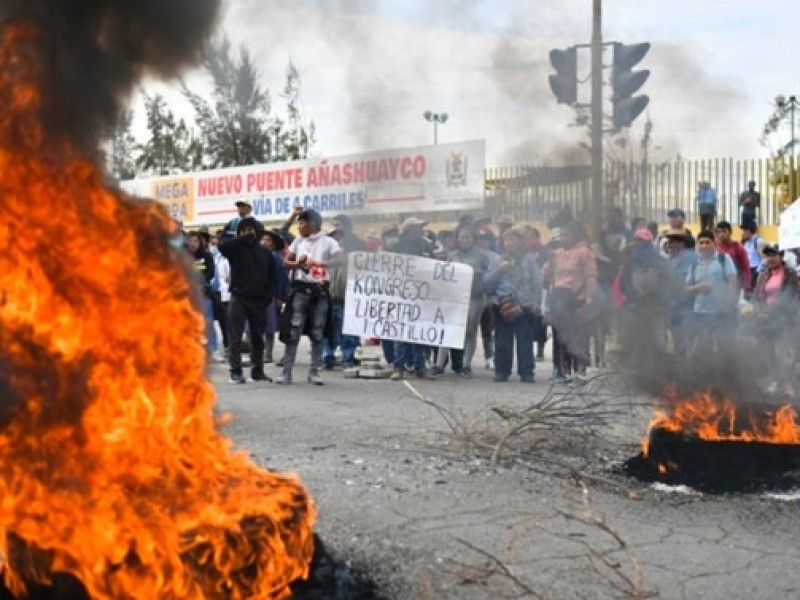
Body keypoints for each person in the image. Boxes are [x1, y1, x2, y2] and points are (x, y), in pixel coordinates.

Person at [280, 209, 342, 385]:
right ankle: (286, 373)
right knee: (293, 330)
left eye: (301, 223)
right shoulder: (298, 242)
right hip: (300, 290)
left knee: (318, 331)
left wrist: (318, 263)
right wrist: (297, 264)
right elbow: (286, 263)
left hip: (320, 291)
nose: (299, 227)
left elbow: (340, 260)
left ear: (312, 224)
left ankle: (314, 372)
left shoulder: (328, 242)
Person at [219, 217, 276, 384]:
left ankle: (258, 372)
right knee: (235, 337)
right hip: (238, 298)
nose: (247, 233)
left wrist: (266, 298)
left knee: (257, 338)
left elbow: (271, 278)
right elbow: (223, 247)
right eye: (243, 230)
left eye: (250, 229)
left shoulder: (265, 253)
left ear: (257, 231)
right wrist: (241, 238)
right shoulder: (235, 249)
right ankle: (235, 372)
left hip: (258, 301)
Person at [485, 227, 543, 383]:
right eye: (506, 239)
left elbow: (537, 283)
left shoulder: (529, 259)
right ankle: (502, 371)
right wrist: (499, 271)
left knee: (525, 341)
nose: (509, 242)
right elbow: (487, 284)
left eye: (513, 239)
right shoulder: (497, 260)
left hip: (524, 305)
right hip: (503, 306)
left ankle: (527, 372)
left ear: (520, 242)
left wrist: (537, 302)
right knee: (502, 341)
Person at [543, 222, 597, 385]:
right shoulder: (557, 254)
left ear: (575, 236)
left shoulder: (585, 253)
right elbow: (548, 276)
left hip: (577, 300)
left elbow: (590, 277)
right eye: (561, 235)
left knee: (579, 337)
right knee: (561, 337)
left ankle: (580, 373)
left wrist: (589, 299)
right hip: (558, 300)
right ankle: (562, 371)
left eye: (566, 235)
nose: (563, 238)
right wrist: (548, 260)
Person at [390, 217, 436, 381]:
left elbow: (435, 265)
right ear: (409, 230)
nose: (421, 231)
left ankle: (420, 367)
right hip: (402, 294)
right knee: (401, 333)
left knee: (420, 333)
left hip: (422, 295)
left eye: (421, 228)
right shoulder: (397, 247)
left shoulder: (426, 245)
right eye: (417, 228)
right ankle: (399, 367)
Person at [753, 245, 800, 396]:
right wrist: (759, 311)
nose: (771, 259)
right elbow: (757, 296)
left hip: (783, 319)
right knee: (769, 351)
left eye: (774, 255)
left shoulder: (790, 274)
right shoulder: (764, 275)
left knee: (783, 352)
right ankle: (776, 381)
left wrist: (781, 310)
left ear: (781, 256)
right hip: (765, 319)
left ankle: (788, 383)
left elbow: (794, 296)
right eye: (768, 256)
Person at [684, 230, 738, 354]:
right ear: (697, 245)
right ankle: (707, 372)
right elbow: (685, 289)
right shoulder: (693, 264)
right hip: (700, 313)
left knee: (725, 347)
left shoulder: (723, 259)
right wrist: (698, 288)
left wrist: (727, 306)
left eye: (707, 242)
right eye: (701, 243)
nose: (704, 246)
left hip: (721, 313)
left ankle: (726, 371)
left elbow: (732, 282)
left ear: (714, 244)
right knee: (703, 348)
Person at [663, 229, 697, 356]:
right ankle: (681, 366)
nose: (671, 244)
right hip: (672, 305)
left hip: (687, 305)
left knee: (688, 338)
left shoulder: (691, 257)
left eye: (674, 241)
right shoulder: (669, 259)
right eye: (670, 241)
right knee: (677, 339)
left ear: (682, 243)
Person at [186, 231, 217, 359]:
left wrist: (202, 282)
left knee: (208, 322)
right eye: (191, 241)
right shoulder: (183, 256)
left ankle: (211, 349)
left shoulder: (206, 256)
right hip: (188, 295)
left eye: (196, 241)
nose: (193, 244)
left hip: (204, 293)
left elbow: (211, 272)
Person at [260, 228, 288, 364]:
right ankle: (257, 351)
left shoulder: (277, 259)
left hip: (271, 296)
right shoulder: (255, 257)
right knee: (253, 326)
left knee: (269, 327)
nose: (264, 242)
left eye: (268, 240)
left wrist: (280, 297)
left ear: (273, 245)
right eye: (263, 239)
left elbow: (282, 279)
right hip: (255, 296)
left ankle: (268, 353)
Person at [714, 221, 751, 296]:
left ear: (730, 232)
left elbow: (746, 268)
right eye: (719, 232)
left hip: (734, 284)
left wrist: (746, 287)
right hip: (717, 285)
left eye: (724, 231)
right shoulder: (714, 247)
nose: (721, 234)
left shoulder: (738, 247)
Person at [740, 223, 765, 293]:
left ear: (748, 231)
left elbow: (765, 258)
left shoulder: (758, 241)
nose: (743, 234)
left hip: (755, 271)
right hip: (747, 271)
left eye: (744, 231)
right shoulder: (746, 243)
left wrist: (759, 272)